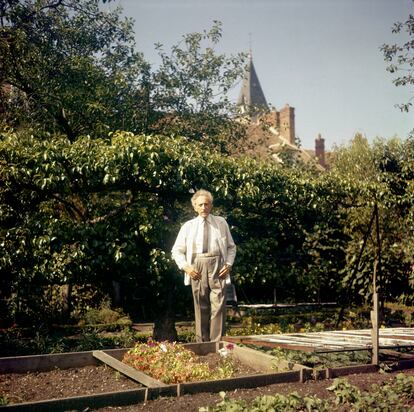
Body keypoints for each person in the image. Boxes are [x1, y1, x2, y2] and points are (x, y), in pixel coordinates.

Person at [171, 189, 236, 342]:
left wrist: (228, 264)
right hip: (197, 267)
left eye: (206, 204)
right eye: (200, 205)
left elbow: (231, 247)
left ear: (211, 206)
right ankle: (202, 344)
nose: (203, 208)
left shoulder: (221, 223)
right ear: (194, 207)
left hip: (218, 266)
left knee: (218, 306)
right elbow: (176, 250)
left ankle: (217, 344)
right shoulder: (188, 226)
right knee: (201, 307)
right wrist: (186, 267)